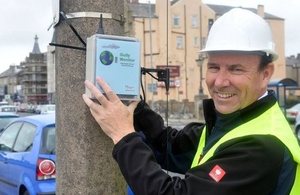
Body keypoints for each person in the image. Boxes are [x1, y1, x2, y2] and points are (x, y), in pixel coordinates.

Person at [82, 8, 300, 195]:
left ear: (265, 74)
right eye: (214, 67)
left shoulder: (262, 146)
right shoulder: (233, 124)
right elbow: (167, 145)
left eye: (236, 69)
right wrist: (133, 104)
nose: (220, 81)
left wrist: (122, 135)